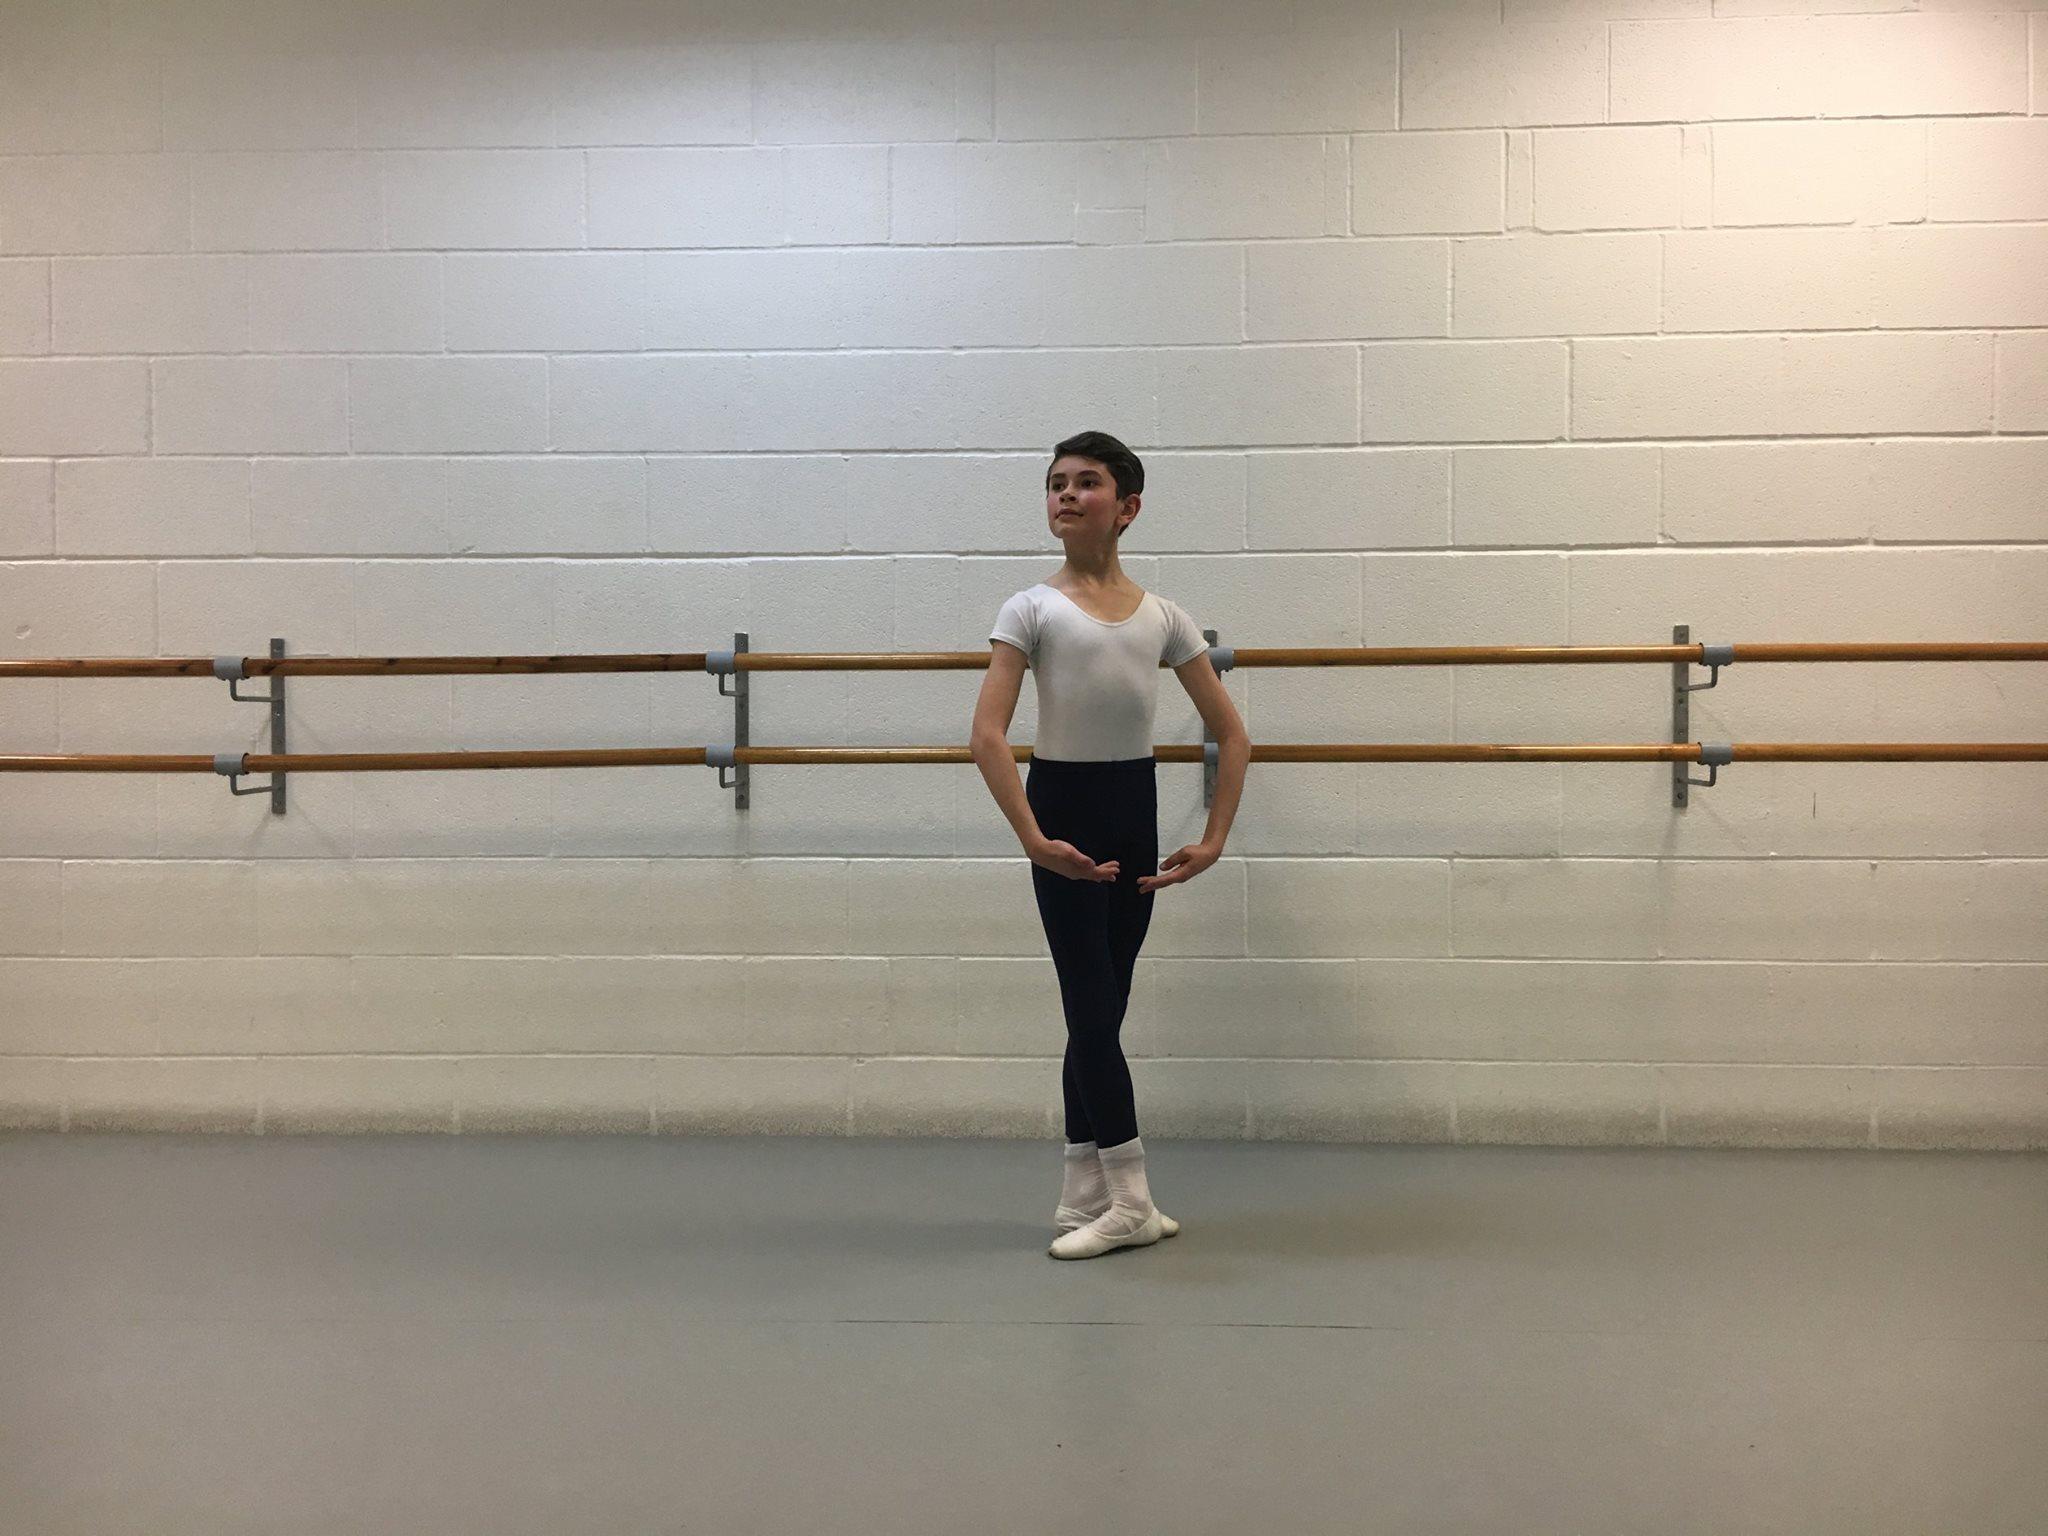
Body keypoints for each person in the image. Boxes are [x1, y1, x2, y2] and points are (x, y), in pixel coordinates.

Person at [970, 430, 1251, 1260]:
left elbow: (1231, 734)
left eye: (1085, 483)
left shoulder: (1165, 617)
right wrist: (1033, 838)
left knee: (1102, 1011)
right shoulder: (1029, 609)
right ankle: (1131, 1199)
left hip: (1134, 807)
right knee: (1090, 1009)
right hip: (1062, 811)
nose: (1065, 494)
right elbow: (988, 735)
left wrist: (1213, 838)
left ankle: (1081, 1193)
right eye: (1056, 482)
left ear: (1125, 508)